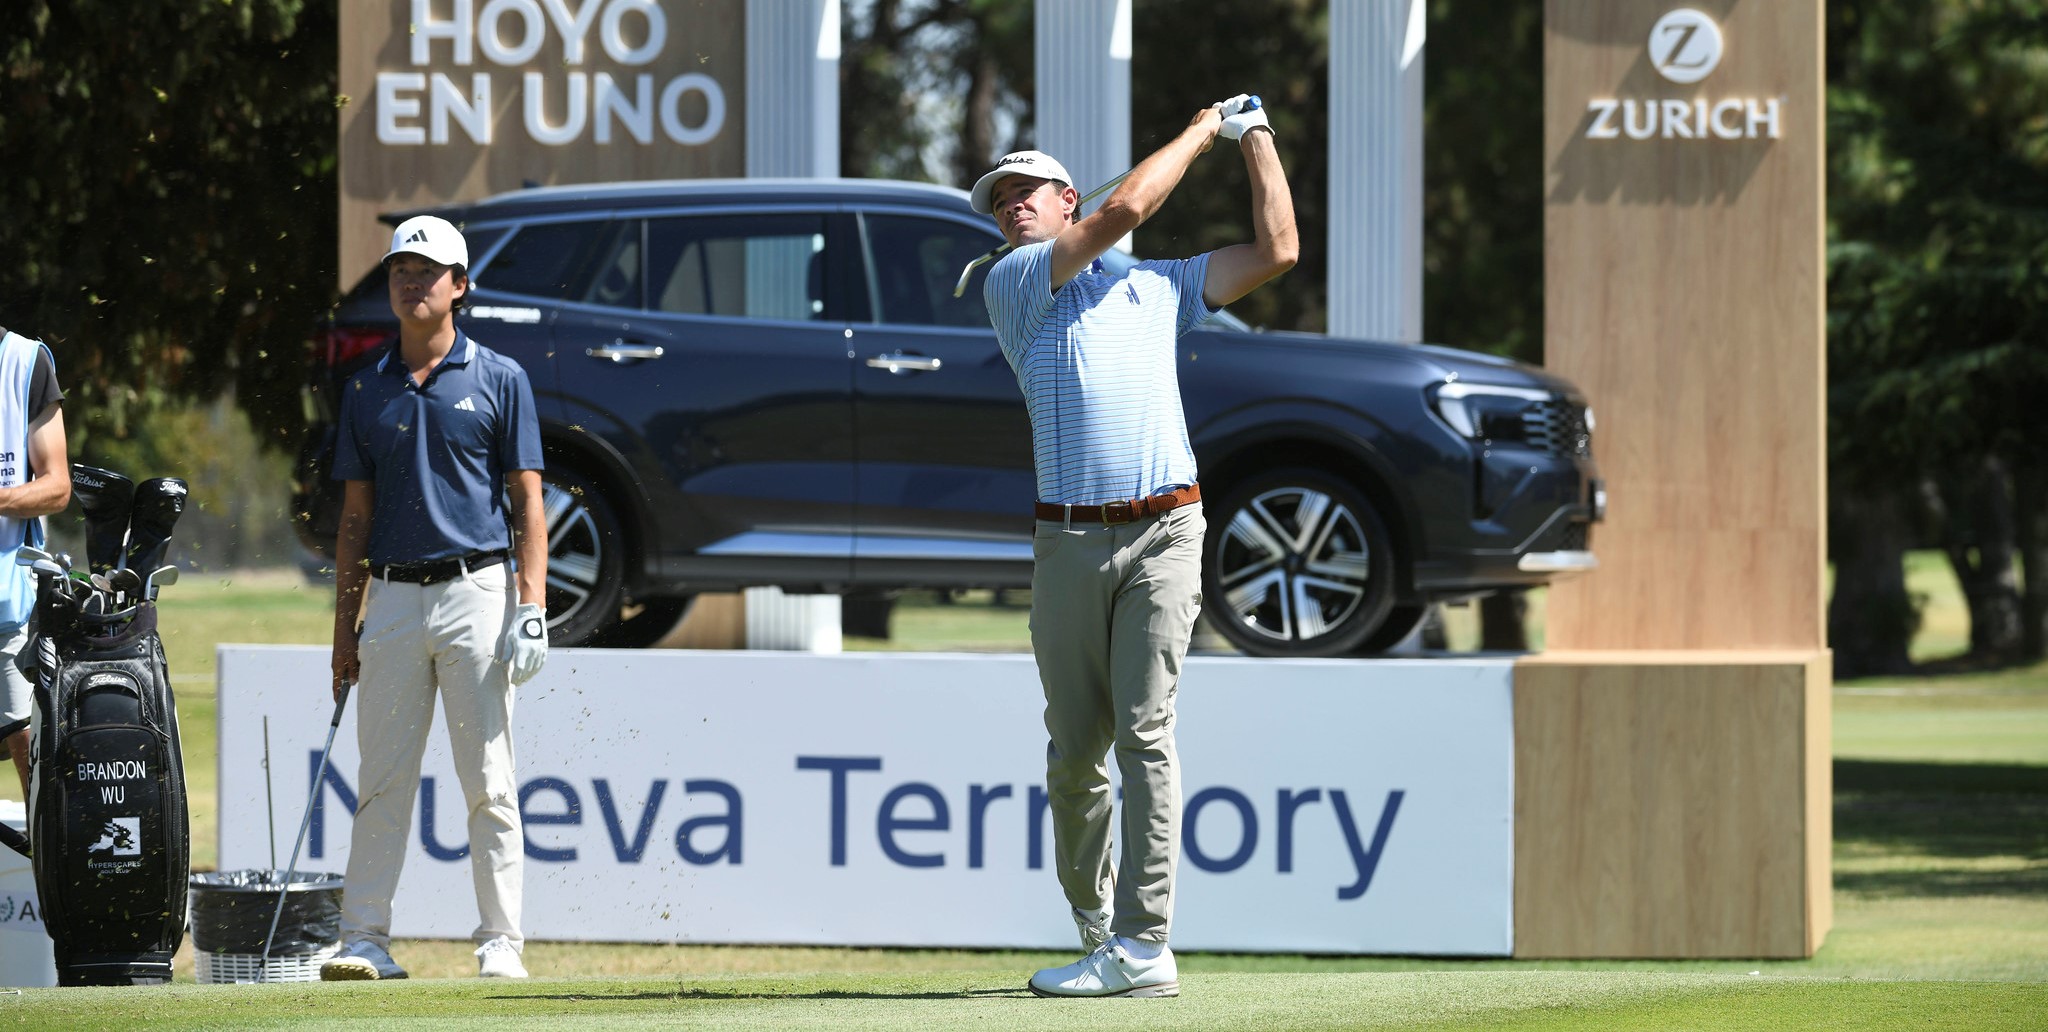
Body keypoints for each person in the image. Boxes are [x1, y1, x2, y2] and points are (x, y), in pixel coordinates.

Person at [971, 96, 1296, 999]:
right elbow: (1127, 212)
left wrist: (1256, 136)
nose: (1010, 209)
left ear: (1065, 196)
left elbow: (1278, 253)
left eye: (1025, 193)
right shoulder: (1018, 282)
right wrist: (1201, 130)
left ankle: (1145, 943)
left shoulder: (1160, 289)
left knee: (1146, 737)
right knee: (1076, 754)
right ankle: (1097, 929)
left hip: (1166, 531)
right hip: (1068, 541)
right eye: (1000, 202)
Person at [321, 215, 550, 981]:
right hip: (389, 597)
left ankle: (500, 943)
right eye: (399, 272)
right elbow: (354, 519)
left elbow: (528, 502)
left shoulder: (499, 379)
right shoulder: (364, 389)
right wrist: (342, 630)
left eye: (427, 271)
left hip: (476, 592)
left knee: (487, 779)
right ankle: (365, 941)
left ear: (460, 286)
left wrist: (531, 604)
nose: (411, 283)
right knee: (381, 780)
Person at [0, 327, 68, 799]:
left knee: (36, 779)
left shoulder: (25, 362)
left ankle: (50, 871)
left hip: (6, 609)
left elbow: (57, 486)